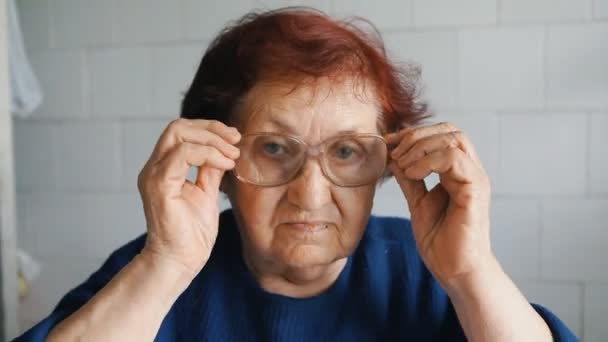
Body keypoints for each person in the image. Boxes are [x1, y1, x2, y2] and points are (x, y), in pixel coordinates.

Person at [15, 7, 577, 342]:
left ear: (391, 165)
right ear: (221, 163)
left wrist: (472, 271)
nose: (311, 194)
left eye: (348, 152)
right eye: (276, 147)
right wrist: (164, 266)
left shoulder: (424, 268)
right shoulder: (164, 264)